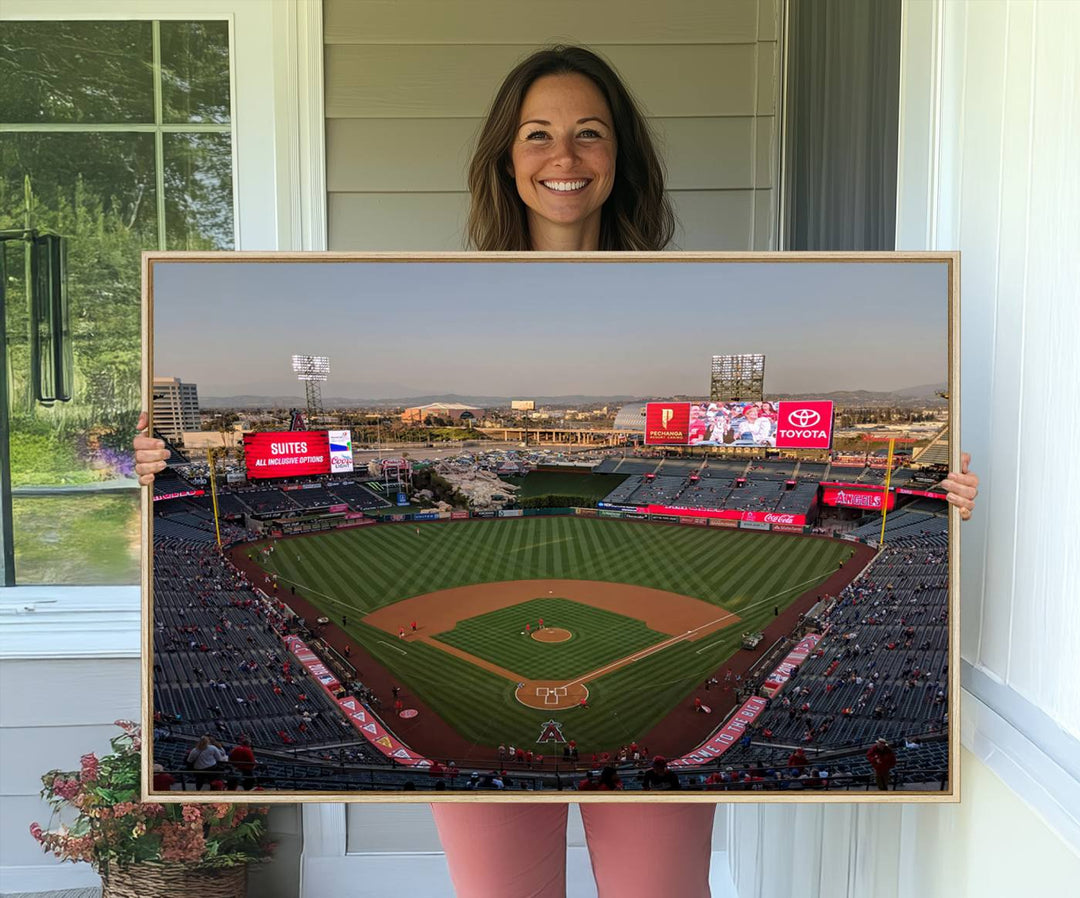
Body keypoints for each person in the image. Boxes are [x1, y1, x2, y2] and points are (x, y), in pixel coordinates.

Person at [134, 42, 981, 898]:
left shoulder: (690, 293)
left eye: (590, 133)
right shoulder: (447, 291)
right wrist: (149, 463)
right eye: (537, 134)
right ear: (506, 158)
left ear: (621, 157)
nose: (564, 157)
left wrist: (944, 494)